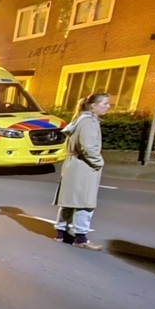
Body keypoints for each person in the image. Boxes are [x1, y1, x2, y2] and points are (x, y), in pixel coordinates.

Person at [54, 93, 110, 250]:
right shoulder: (89, 122)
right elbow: (88, 147)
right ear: (93, 106)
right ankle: (80, 238)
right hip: (83, 166)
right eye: (105, 103)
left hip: (73, 164)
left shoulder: (78, 120)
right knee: (84, 203)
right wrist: (98, 163)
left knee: (69, 200)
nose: (108, 106)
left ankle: (61, 232)